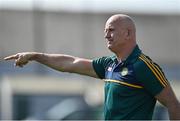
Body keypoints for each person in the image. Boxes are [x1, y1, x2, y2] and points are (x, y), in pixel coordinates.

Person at [4, 14, 180, 120]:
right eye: (105, 31)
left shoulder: (143, 66)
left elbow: (173, 105)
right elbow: (70, 63)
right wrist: (36, 56)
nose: (106, 35)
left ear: (128, 33)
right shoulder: (109, 64)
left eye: (110, 30)